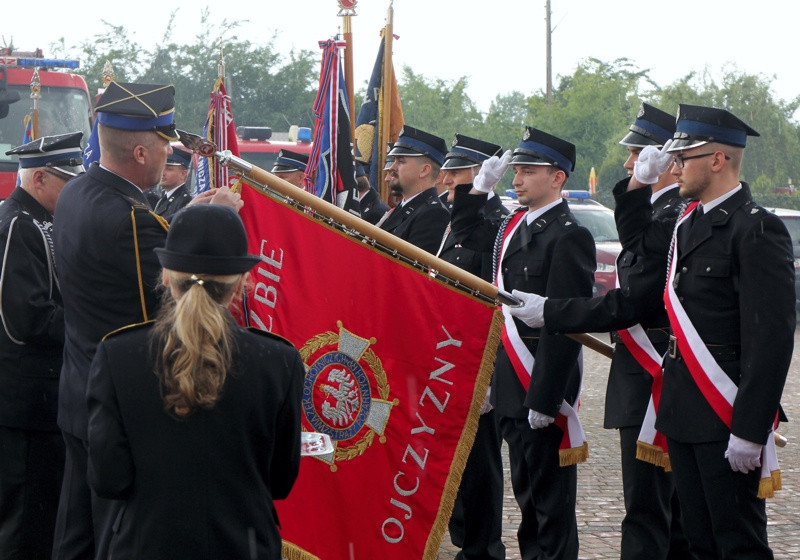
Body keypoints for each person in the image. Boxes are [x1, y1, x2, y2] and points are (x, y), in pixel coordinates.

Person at [51, 81, 241, 560]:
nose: (168, 155)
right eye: (164, 146)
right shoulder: (132, 221)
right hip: (119, 411)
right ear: (140, 151)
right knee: (114, 540)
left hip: (76, 391)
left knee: (74, 538)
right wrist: (211, 225)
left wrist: (182, 220)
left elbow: (122, 242)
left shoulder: (75, 191)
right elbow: (173, 308)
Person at [502, 104, 689, 559]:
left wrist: (552, 311)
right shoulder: (662, 212)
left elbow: (634, 296)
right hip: (640, 376)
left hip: (663, 378)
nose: (628, 164)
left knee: (657, 518)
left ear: (669, 158)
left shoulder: (675, 215)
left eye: (637, 154)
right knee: (659, 514)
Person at [621, 104, 795, 559]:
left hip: (726, 414)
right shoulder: (687, 222)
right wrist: (638, 185)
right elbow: (637, 244)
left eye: (684, 157)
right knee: (697, 543)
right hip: (683, 411)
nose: (674, 166)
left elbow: (771, 339)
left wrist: (750, 429)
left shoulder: (756, 228)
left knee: (737, 545)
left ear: (717, 160)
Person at [86, 204, 303, 560]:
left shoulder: (117, 355)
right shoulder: (279, 362)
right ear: (241, 283)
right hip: (244, 548)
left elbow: (109, 479)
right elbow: (280, 481)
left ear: (167, 277)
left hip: (147, 547)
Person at [451, 126, 595, 560]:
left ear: (557, 178)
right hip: (508, 382)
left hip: (539, 386)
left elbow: (565, 324)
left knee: (549, 509)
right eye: (516, 170)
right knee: (525, 494)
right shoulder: (512, 225)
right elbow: (464, 236)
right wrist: (479, 189)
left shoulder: (569, 235)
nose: (517, 178)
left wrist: (546, 398)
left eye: (528, 171)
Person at [0, 132, 83, 560]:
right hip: (26, 401)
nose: (74, 189)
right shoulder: (17, 223)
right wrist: (91, 323)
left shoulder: (39, 221)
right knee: (23, 524)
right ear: (38, 179)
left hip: (45, 399)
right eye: (67, 180)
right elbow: (26, 317)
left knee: (43, 519)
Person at [436, 133, 507, 560]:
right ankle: (465, 535)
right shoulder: (457, 217)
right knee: (457, 456)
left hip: (476, 353)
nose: (447, 179)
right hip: (448, 348)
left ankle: (484, 547)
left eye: (458, 173)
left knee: (481, 461)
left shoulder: (495, 220)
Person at [378, 126, 450, 253]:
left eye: (400, 161)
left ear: (424, 170)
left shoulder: (434, 214)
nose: (393, 167)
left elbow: (411, 269)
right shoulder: (403, 208)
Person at [153, 146, 193, 219]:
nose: (163, 173)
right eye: (161, 167)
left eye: (169, 169)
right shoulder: (164, 197)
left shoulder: (185, 201)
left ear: (183, 174)